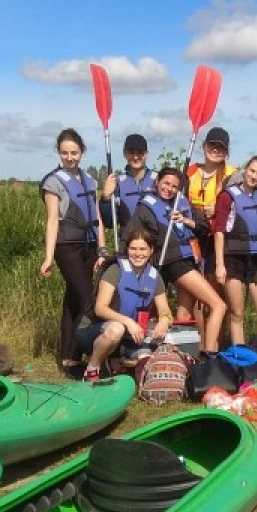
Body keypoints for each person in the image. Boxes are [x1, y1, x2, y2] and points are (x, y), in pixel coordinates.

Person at [39, 128, 113, 375]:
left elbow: (98, 218)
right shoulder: (53, 182)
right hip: (66, 247)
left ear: (82, 152)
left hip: (89, 245)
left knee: (72, 301)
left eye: (74, 152)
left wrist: (102, 248)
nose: (69, 157)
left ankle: (67, 359)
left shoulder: (89, 180)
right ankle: (79, 356)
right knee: (87, 302)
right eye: (64, 153)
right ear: (59, 153)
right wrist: (48, 257)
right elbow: (52, 221)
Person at [130, 166, 227, 353]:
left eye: (174, 186)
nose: (169, 189)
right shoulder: (146, 207)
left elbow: (204, 226)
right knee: (219, 305)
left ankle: (183, 358)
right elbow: (136, 236)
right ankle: (209, 357)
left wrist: (185, 220)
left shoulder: (181, 203)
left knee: (184, 313)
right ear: (157, 182)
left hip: (188, 259)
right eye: (166, 183)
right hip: (174, 262)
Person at [77, 228, 173, 381]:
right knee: (117, 329)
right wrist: (128, 322)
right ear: (127, 250)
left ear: (151, 251)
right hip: (95, 330)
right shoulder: (115, 270)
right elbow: (100, 308)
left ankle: (117, 362)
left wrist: (164, 320)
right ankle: (92, 369)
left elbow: (165, 310)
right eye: (133, 248)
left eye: (143, 249)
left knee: (145, 359)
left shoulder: (155, 277)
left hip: (130, 336)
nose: (138, 253)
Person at [214, 155, 257, 345]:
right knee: (237, 314)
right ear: (245, 170)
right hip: (233, 259)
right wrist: (219, 264)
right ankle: (240, 361)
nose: (254, 176)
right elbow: (219, 231)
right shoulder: (227, 196)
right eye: (252, 171)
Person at [186, 127, 235, 341]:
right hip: (192, 238)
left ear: (226, 152)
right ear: (204, 146)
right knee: (197, 297)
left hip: (218, 239)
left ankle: (217, 344)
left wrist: (217, 208)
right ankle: (199, 344)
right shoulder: (189, 172)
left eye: (220, 147)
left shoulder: (232, 175)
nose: (215, 150)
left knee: (217, 294)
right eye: (211, 145)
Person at [99, 133, 155, 243]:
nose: (135, 157)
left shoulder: (158, 181)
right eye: (131, 152)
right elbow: (110, 222)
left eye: (139, 152)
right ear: (125, 154)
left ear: (146, 154)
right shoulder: (117, 183)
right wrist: (105, 198)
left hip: (154, 244)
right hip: (128, 245)